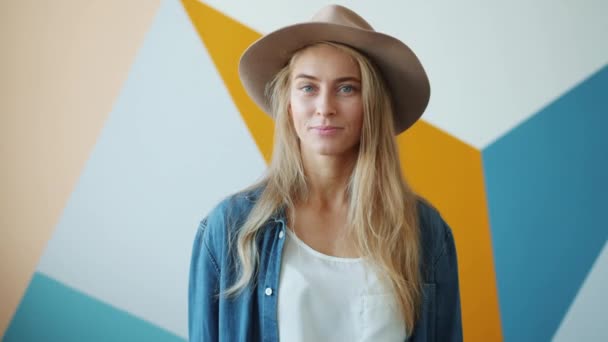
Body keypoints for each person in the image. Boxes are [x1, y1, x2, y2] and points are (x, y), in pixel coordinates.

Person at [189, 4, 462, 342]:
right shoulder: (232, 230)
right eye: (307, 87)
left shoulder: (425, 233)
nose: (325, 107)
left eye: (347, 88)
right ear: (287, 103)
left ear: (372, 104)